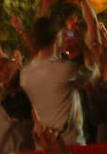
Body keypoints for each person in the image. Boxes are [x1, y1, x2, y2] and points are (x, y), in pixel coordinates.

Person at [20, 16, 95, 145]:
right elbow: (92, 73)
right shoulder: (64, 70)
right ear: (56, 38)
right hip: (70, 146)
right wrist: (83, 44)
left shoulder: (25, 73)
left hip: (44, 146)